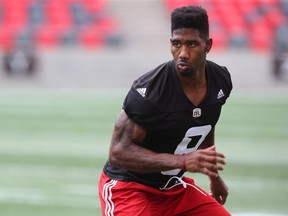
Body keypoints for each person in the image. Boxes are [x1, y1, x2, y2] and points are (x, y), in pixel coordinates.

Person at [98, 5, 232, 216]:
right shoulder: (150, 92)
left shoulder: (220, 80)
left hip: (171, 187)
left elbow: (206, 125)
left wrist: (214, 177)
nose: (183, 53)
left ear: (208, 45)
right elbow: (118, 152)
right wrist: (183, 161)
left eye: (192, 44)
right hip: (128, 188)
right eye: (176, 44)